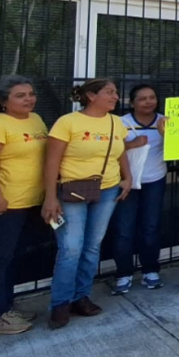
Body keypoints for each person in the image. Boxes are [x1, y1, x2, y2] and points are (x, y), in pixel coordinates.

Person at [42, 78, 132, 329]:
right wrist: (50, 196)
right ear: (91, 96)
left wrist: (128, 177)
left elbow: (121, 150)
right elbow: (51, 161)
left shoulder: (116, 122)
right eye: (109, 92)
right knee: (71, 247)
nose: (115, 97)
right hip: (73, 190)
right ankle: (61, 302)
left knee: (92, 245)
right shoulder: (68, 122)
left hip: (107, 190)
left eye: (115, 93)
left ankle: (81, 296)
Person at [0, 75, 47, 335]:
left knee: (13, 257)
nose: (29, 98)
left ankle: (7, 307)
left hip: (30, 202)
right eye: (20, 95)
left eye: (31, 93)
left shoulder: (36, 120)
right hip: (3, 205)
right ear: (4, 101)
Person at [110, 84, 167, 296]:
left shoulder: (164, 121)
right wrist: (131, 144)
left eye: (152, 97)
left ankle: (150, 270)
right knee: (124, 230)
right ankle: (123, 273)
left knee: (151, 228)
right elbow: (108, 150)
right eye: (142, 99)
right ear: (132, 103)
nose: (148, 102)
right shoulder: (121, 123)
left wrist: (166, 134)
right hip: (127, 182)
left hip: (155, 180)